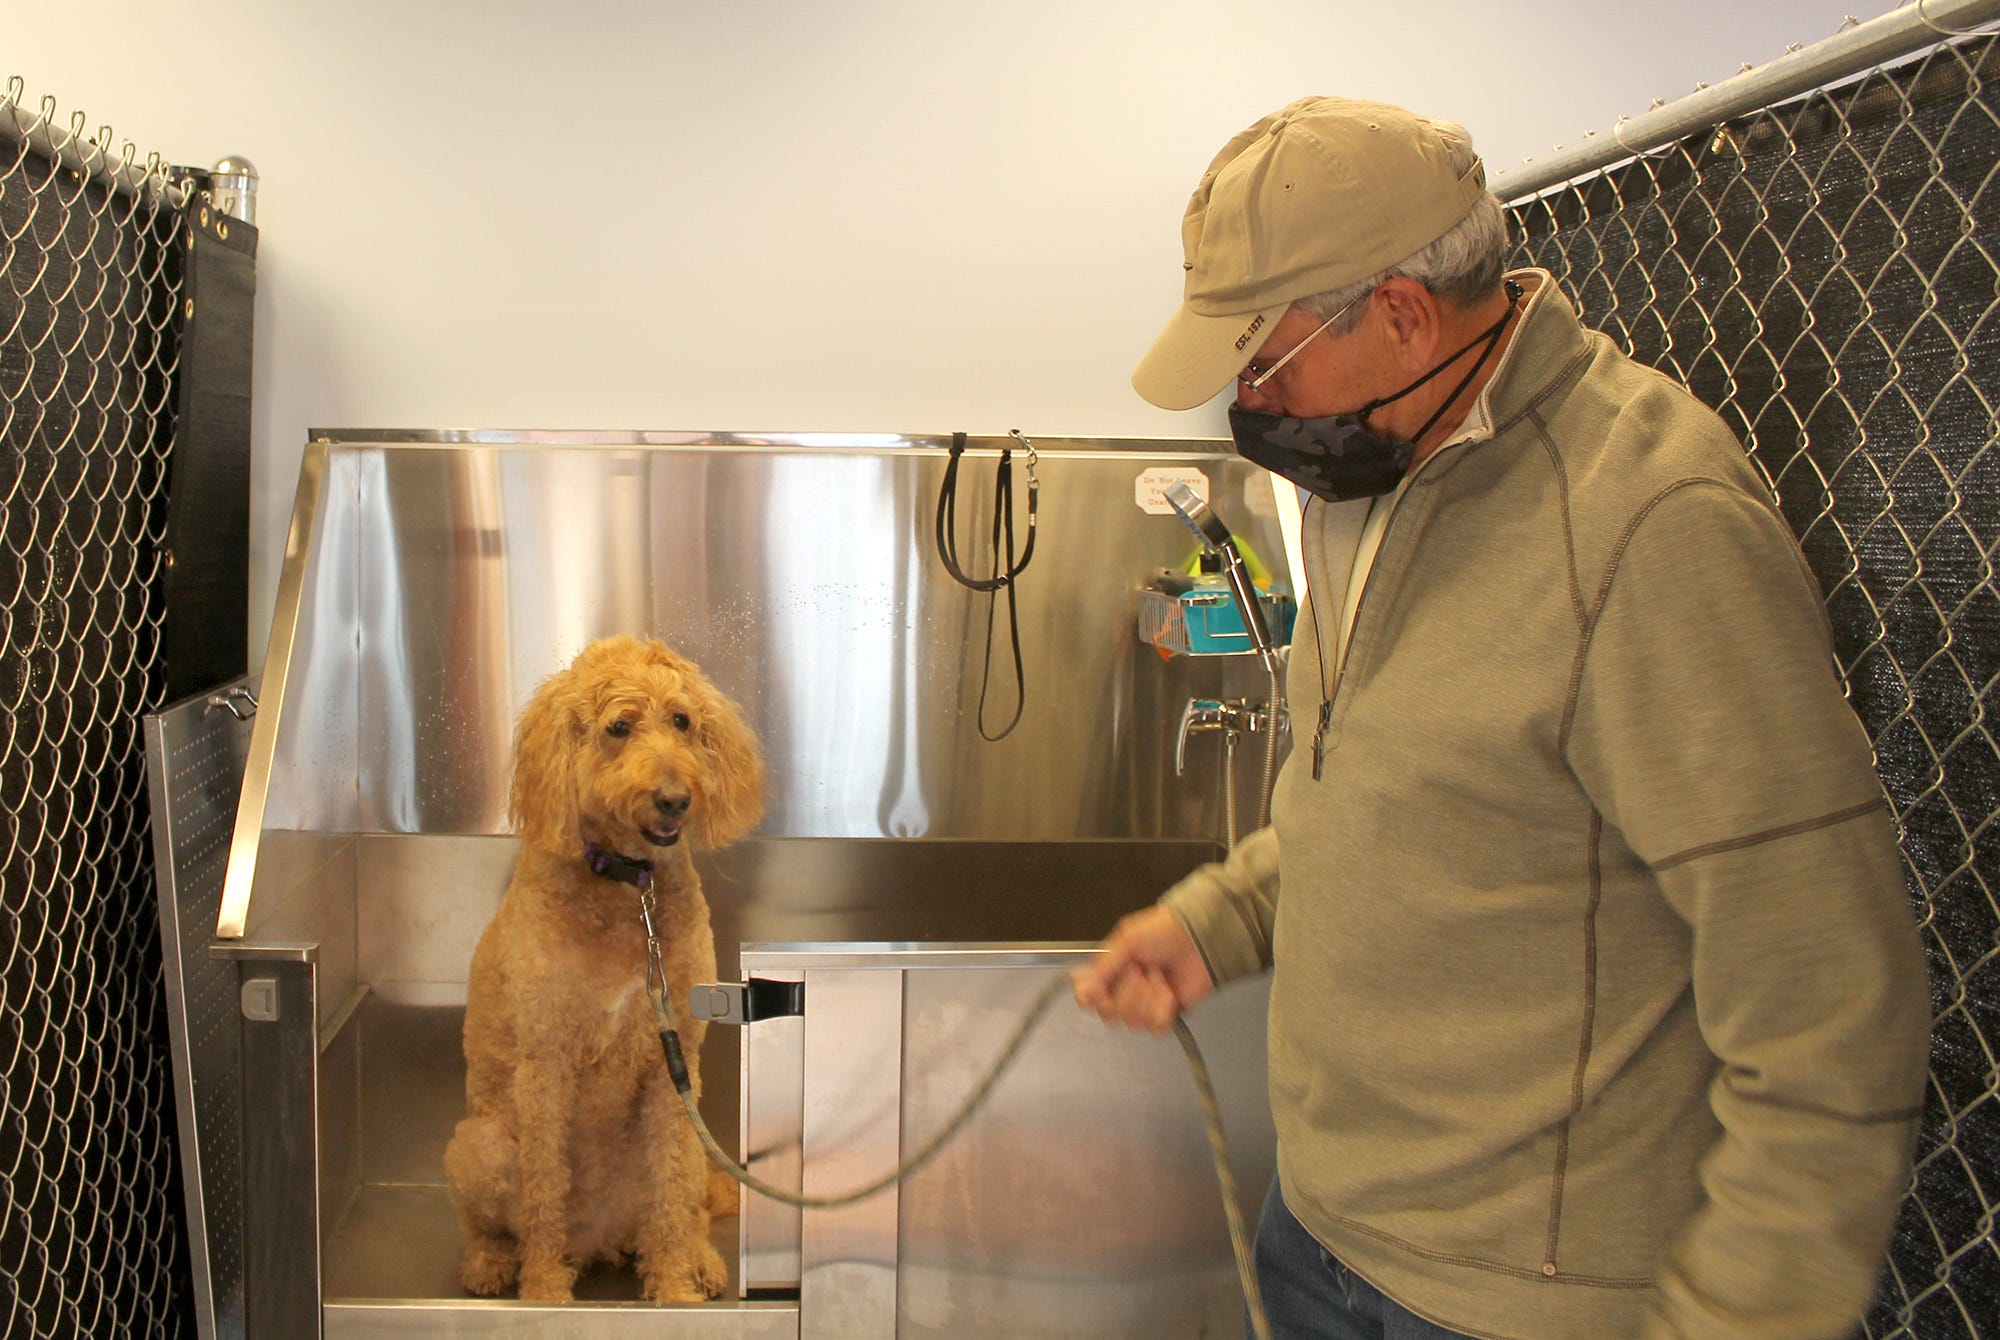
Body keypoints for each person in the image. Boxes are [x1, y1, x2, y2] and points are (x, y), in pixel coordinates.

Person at [1073, 95, 1931, 1340]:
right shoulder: (1363, 470)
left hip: (1517, 1299)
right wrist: (1221, 919)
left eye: (1261, 360)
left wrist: (1739, 1315)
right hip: (1317, 1231)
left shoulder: (1651, 523)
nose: (1248, 401)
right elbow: (1381, 793)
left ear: (1402, 313)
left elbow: (1829, 1005)